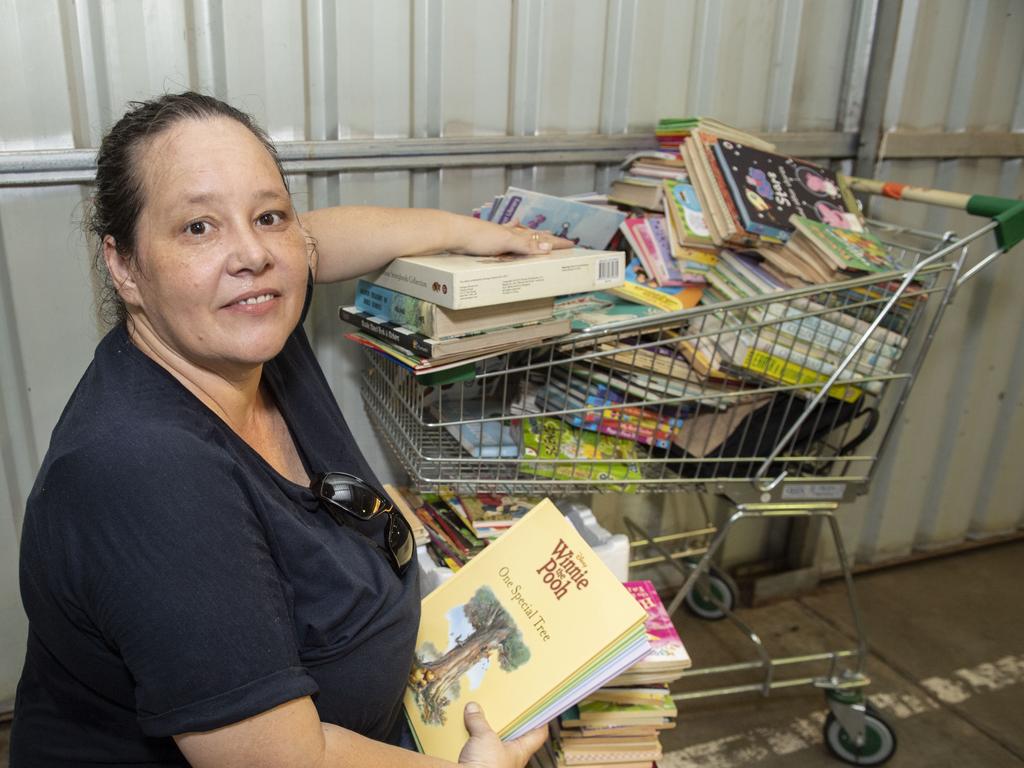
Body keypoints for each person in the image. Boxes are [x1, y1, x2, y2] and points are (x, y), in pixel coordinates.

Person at [11, 92, 569, 767]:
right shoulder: (145, 472)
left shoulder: (243, 328)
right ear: (124, 265)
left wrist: (469, 233)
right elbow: (277, 759)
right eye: (198, 228)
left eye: (268, 215)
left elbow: (318, 240)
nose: (253, 254)